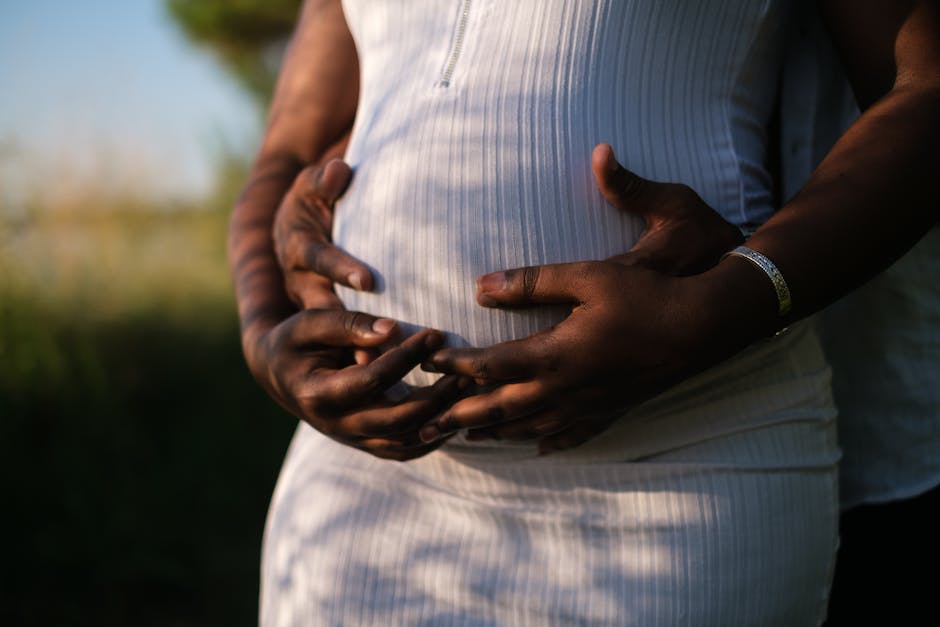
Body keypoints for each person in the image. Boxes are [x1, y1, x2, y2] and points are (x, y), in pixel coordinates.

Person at [228, 0, 940, 624]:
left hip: (685, 468)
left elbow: (925, 91)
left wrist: (723, 305)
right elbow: (286, 149)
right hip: (363, 481)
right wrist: (263, 332)